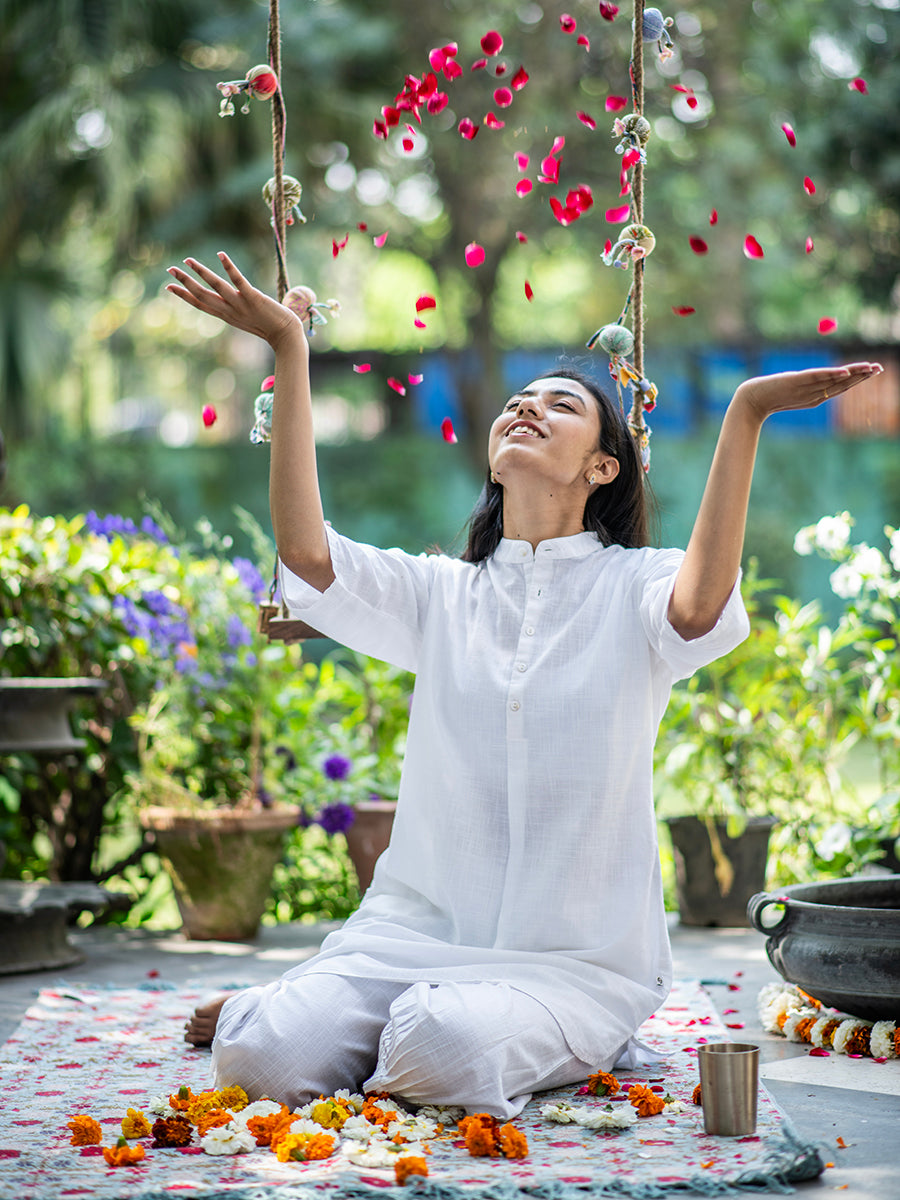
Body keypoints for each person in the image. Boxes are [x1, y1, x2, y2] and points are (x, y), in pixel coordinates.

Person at [166, 252, 881, 1118]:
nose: (525, 407)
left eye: (561, 403)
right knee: (258, 1057)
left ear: (603, 468)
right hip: (406, 939)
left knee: (439, 1050)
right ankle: (312, 1011)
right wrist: (287, 345)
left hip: (572, 965)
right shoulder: (441, 592)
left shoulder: (636, 586)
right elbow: (310, 557)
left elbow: (699, 609)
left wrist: (746, 412)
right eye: (517, 400)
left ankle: (524, 1031)